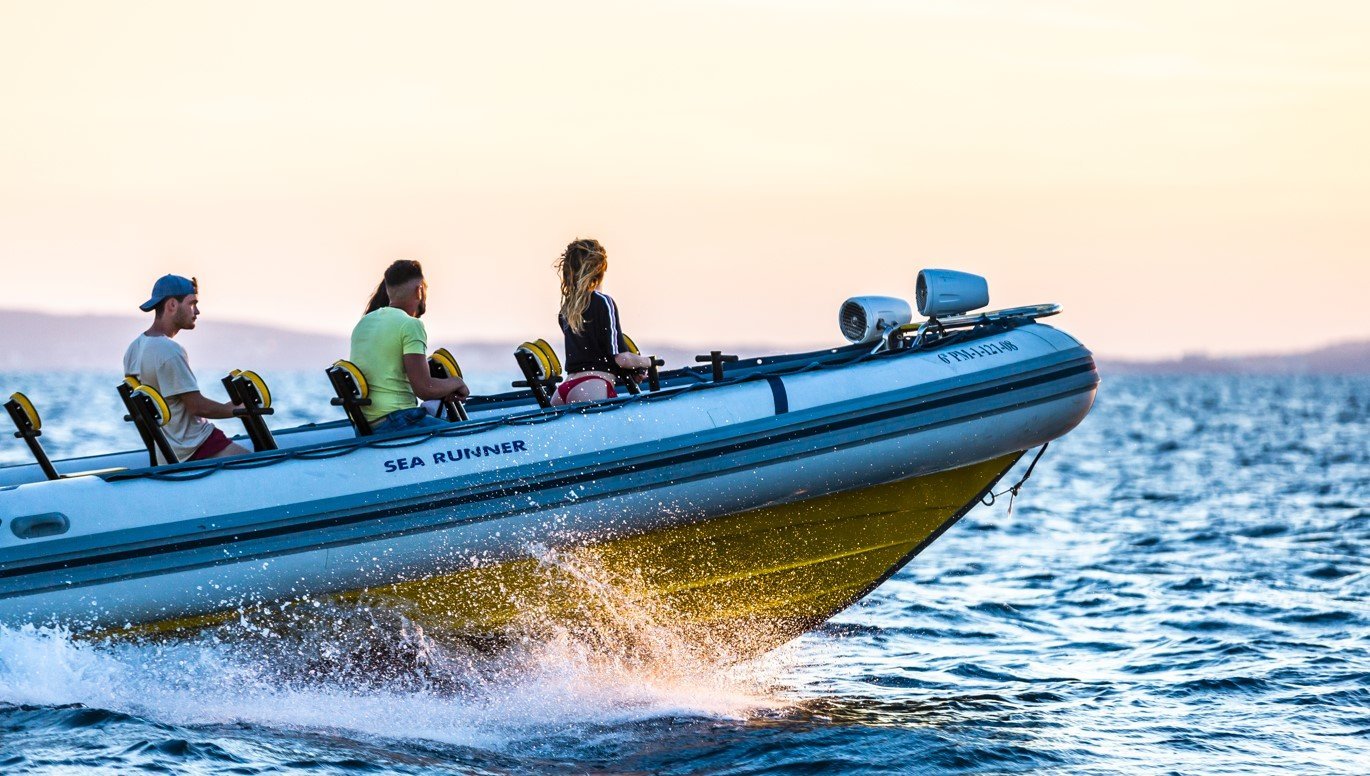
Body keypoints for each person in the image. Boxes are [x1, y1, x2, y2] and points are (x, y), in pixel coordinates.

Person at [123, 274, 249, 463]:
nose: (197, 311)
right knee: (256, 463)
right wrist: (235, 409)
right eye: (192, 304)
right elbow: (197, 406)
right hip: (195, 446)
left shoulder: (133, 349)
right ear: (172, 305)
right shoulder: (169, 351)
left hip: (168, 451)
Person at [350, 260, 469, 434]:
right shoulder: (410, 325)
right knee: (467, 434)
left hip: (367, 426)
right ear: (419, 290)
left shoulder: (363, 323)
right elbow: (425, 389)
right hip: (398, 422)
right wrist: (457, 383)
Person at [552, 238, 655, 405]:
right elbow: (622, 359)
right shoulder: (603, 302)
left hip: (563, 391)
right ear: (599, 271)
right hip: (592, 386)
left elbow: (593, 355)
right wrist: (648, 362)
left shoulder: (566, 310)